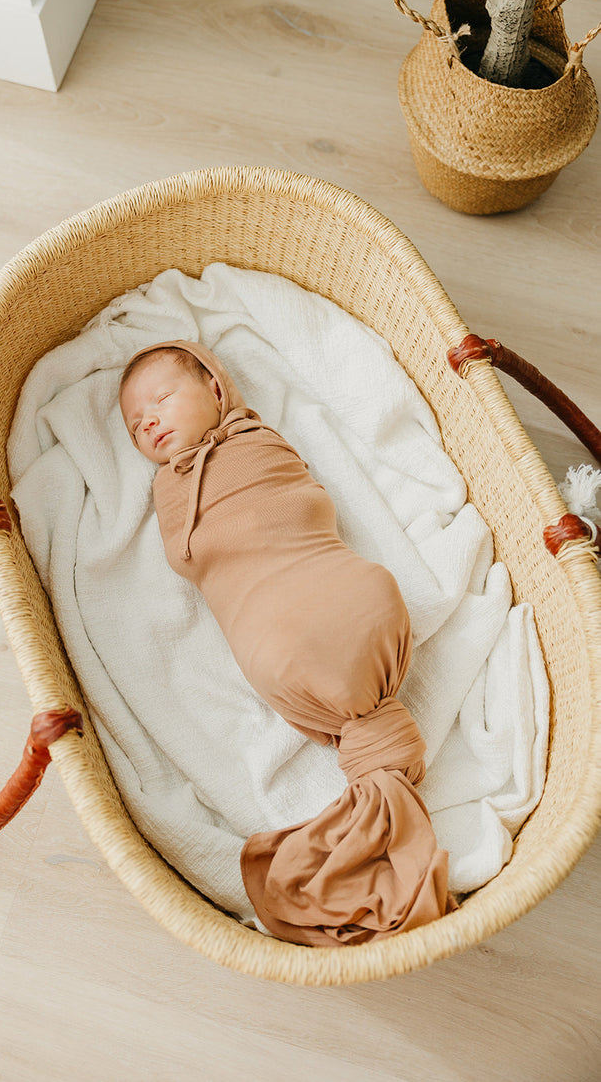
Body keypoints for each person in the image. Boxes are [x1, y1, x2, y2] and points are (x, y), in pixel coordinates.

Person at [119, 339, 455, 947]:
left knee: (311, 616)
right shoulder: (171, 486)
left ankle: (370, 812)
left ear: (218, 391)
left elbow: (296, 497)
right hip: (287, 634)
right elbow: (192, 555)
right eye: (136, 426)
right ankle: (377, 784)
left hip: (340, 595)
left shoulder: (256, 438)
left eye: (162, 399)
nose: (149, 422)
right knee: (288, 636)